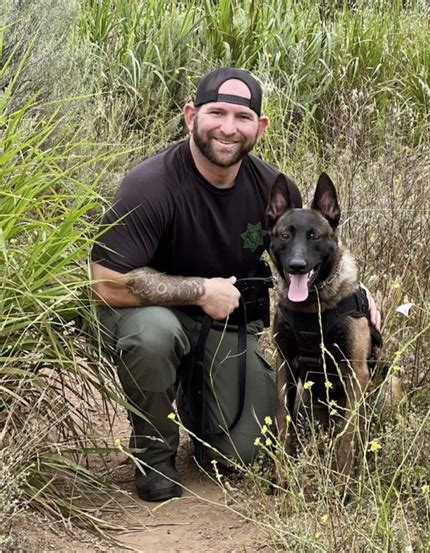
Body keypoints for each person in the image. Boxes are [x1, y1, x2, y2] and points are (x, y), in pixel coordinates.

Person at [91, 67, 380, 503]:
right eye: (216, 113)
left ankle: (198, 401)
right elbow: (105, 284)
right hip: (152, 319)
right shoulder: (148, 186)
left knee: (247, 454)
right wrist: (200, 291)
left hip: (226, 329)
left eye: (242, 117)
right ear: (191, 116)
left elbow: (307, 250)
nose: (228, 128)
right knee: (154, 334)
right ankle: (155, 454)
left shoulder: (273, 188)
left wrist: (352, 291)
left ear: (259, 127)